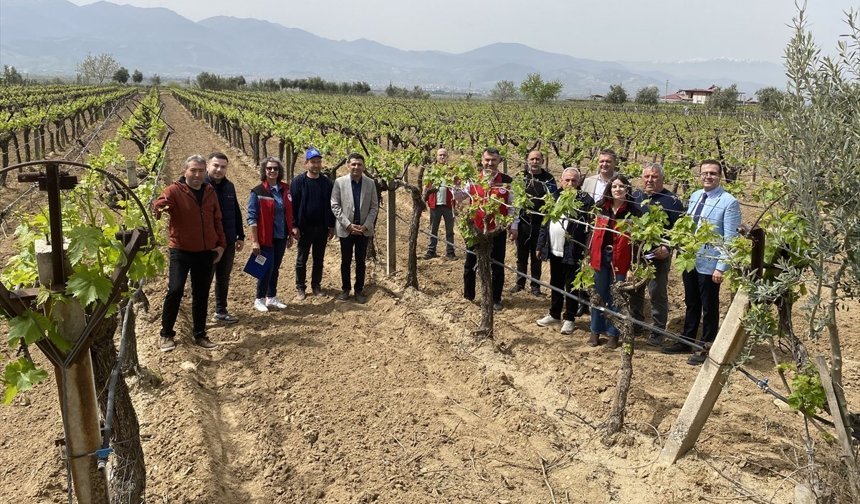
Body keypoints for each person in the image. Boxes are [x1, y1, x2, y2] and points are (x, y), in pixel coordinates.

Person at [664, 159, 741, 365]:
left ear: (720, 176)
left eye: (713, 173)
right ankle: (687, 339)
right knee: (691, 302)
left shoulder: (729, 201)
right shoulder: (696, 196)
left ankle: (707, 346)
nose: (708, 176)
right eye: (705, 173)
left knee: (709, 305)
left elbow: (731, 239)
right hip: (690, 259)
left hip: (710, 263)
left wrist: (721, 266)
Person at [153, 154, 225, 352]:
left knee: (201, 294)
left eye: (201, 171)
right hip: (181, 250)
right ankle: (166, 334)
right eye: (193, 170)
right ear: (185, 171)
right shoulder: (174, 191)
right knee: (175, 290)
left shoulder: (210, 191)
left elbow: (217, 219)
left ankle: (200, 334)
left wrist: (221, 245)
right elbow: (159, 204)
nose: (197, 174)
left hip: (205, 251)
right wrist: (159, 207)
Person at [630, 162, 684, 346]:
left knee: (656, 292)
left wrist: (667, 249)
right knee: (635, 289)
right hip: (636, 253)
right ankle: (636, 324)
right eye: (646, 176)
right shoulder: (635, 196)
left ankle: (658, 330)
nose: (650, 180)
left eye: (654, 177)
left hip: (658, 255)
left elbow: (680, 231)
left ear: (662, 179)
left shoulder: (672, 201)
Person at [535, 167, 594, 335]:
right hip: (554, 249)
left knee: (572, 286)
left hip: (573, 251)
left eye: (574, 181)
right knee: (556, 283)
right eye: (567, 180)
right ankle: (554, 314)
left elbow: (591, 228)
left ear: (579, 182)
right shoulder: (554, 197)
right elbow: (545, 224)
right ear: (561, 181)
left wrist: (587, 250)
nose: (570, 183)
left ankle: (569, 318)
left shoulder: (585, 200)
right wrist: (540, 245)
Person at [460, 147, 518, 312]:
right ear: (482, 160)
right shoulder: (472, 179)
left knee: (497, 265)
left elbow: (513, 206)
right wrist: (455, 185)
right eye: (487, 160)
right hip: (475, 229)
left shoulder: (507, 181)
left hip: (497, 230)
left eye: (493, 160)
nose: (490, 163)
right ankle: (469, 296)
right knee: (470, 263)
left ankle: (496, 299)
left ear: (499, 161)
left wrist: (513, 226)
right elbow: (461, 196)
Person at [588, 174, 640, 349]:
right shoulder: (600, 207)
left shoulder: (634, 212)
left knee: (617, 297)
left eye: (621, 186)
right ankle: (595, 330)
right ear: (609, 189)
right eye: (614, 186)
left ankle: (613, 333)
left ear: (627, 189)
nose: (617, 189)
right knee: (598, 293)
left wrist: (633, 266)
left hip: (622, 258)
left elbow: (637, 243)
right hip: (601, 255)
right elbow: (591, 234)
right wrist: (587, 256)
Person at [247, 157, 294, 312]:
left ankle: (271, 297)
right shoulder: (258, 191)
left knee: (275, 268)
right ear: (264, 171)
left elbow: (289, 213)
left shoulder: (285, 189)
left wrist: (290, 234)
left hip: (280, 236)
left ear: (279, 171)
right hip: (265, 237)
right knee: (265, 267)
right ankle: (259, 298)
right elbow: (251, 217)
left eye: (275, 168)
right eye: (269, 168)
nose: (272, 171)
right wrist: (255, 241)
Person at [330, 152, 379, 303]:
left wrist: (366, 226)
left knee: (360, 261)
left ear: (364, 167)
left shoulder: (370, 183)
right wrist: (348, 225)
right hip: (346, 229)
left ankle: (359, 290)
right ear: (348, 165)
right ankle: (345, 289)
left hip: (363, 230)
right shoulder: (339, 182)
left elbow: (374, 207)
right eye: (353, 164)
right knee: (345, 260)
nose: (356, 167)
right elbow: (335, 205)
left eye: (359, 164)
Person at [291, 148, 335, 299]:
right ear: (306, 164)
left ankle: (316, 285)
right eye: (313, 162)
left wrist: (331, 226)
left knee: (319, 259)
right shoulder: (298, 182)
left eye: (318, 162)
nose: (316, 165)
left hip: (321, 228)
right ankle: (300, 287)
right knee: (302, 259)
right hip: (304, 228)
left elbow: (331, 206)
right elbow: (292, 206)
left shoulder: (327, 183)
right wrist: (294, 225)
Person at [205, 152, 244, 324]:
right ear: (208, 166)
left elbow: (235, 211)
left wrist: (240, 235)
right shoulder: (201, 186)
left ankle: (220, 311)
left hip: (227, 240)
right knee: (204, 279)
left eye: (223, 166)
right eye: (216, 165)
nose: (219, 169)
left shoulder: (229, 187)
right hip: (207, 243)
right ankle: (201, 316)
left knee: (223, 277)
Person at [512, 149, 557, 296]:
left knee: (536, 255)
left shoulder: (548, 179)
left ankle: (535, 286)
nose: (535, 162)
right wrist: (513, 224)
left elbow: (553, 199)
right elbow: (514, 201)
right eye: (532, 159)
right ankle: (520, 283)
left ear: (542, 161)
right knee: (521, 254)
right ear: (527, 161)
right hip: (523, 222)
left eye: (538, 159)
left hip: (540, 223)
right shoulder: (520, 177)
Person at [423, 148, 457, 260]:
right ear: (436, 157)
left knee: (450, 230)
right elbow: (426, 185)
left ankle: (450, 252)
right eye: (440, 155)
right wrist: (424, 200)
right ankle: (431, 251)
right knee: (433, 229)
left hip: (448, 204)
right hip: (434, 205)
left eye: (444, 155)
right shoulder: (431, 170)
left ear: (447, 157)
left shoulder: (452, 171)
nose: (442, 157)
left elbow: (458, 185)